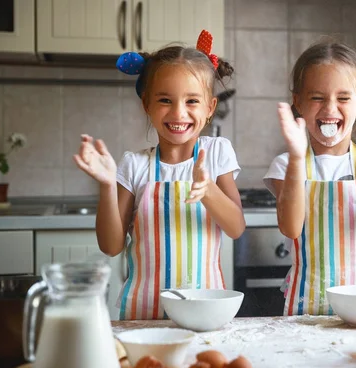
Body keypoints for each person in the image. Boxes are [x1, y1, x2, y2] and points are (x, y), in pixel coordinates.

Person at [74, 31, 245, 320]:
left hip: (203, 311)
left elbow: (236, 228)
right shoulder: (134, 165)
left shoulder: (217, 153)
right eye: (165, 100)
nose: (178, 113)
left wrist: (208, 190)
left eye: (192, 101)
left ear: (209, 108)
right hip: (144, 314)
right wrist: (105, 186)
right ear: (147, 106)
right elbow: (111, 246)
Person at [264, 40, 356, 316]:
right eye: (317, 97)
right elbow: (291, 228)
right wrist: (297, 159)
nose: (330, 108)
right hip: (306, 308)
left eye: (343, 98)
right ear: (298, 102)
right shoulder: (286, 164)